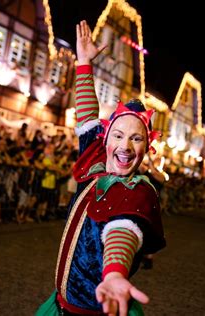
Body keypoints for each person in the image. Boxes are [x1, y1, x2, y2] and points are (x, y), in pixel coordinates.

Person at [35, 20, 165, 316]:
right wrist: (83, 63)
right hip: (60, 304)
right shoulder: (94, 166)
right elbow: (87, 118)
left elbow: (123, 230)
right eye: (118, 136)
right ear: (105, 140)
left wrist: (115, 273)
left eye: (136, 139)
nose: (126, 147)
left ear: (147, 148)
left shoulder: (138, 190)